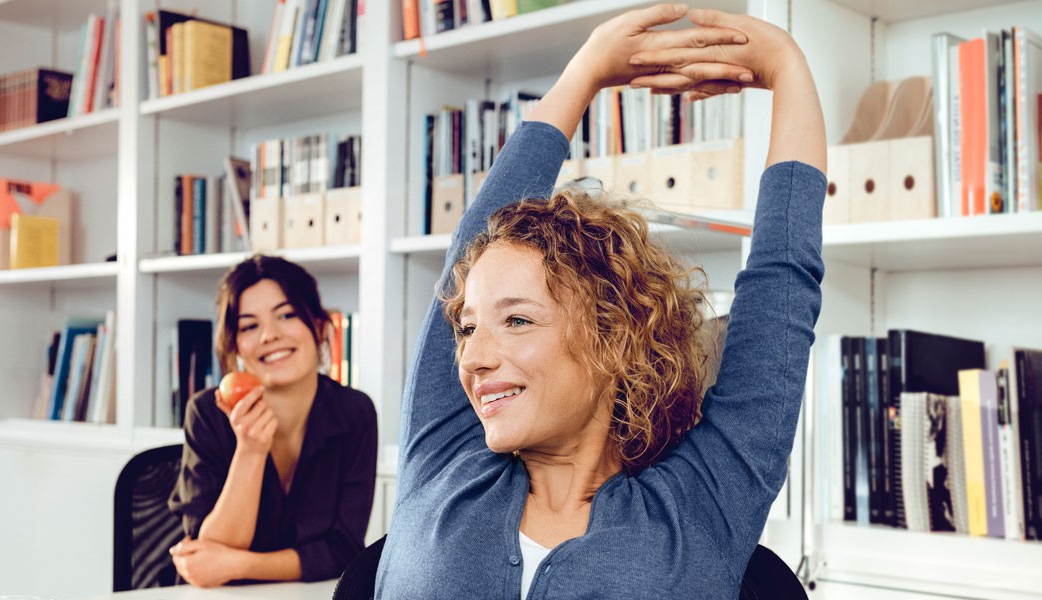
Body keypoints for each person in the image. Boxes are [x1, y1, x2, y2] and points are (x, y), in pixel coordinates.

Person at [376, 4, 825, 599]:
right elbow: (476, 239)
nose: (473, 358)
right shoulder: (444, 458)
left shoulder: (703, 505)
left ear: (613, 336)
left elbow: (783, 284)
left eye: (515, 320)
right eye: (465, 327)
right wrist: (584, 71)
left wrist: (788, 66)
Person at [168, 255, 377, 587]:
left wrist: (238, 564)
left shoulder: (354, 412)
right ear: (235, 344)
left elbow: (343, 550)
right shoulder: (207, 413)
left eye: (286, 315)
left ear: (319, 326)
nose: (270, 335)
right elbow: (207, 555)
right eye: (250, 325)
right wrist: (250, 451)